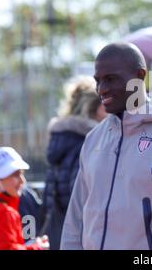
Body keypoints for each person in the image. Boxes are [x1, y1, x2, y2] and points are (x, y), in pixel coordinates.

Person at [61, 42, 152, 250]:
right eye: (97, 81)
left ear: (139, 75)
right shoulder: (94, 138)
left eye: (111, 79)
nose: (101, 89)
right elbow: (75, 219)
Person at [41, 75, 107, 250]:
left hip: (58, 231)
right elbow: (82, 197)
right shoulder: (89, 141)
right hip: (80, 236)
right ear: (93, 108)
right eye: (104, 103)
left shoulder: (61, 139)